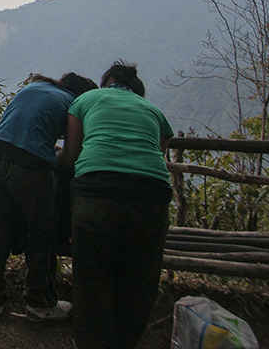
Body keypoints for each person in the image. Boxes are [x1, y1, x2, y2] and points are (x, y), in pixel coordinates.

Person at [58, 60, 174, 349]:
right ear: (138, 91)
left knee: (90, 275)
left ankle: (89, 341)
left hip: (96, 192)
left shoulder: (86, 100)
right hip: (151, 197)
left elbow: (72, 156)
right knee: (140, 277)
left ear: (106, 83)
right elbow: (157, 156)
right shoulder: (154, 113)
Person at [0, 72, 97, 324]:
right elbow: (70, 158)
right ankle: (38, 303)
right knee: (41, 232)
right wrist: (55, 157)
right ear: (82, 94)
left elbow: (20, 130)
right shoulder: (75, 104)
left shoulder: (33, 88)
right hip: (30, 167)